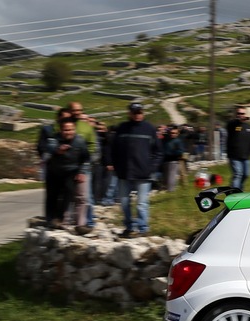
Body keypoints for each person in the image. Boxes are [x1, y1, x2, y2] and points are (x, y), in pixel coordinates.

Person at [107, 101, 162, 238]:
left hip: (143, 173)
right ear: (129, 113)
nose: (138, 115)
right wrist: (116, 165)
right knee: (124, 202)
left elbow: (159, 151)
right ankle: (129, 227)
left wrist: (152, 168)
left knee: (141, 203)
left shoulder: (149, 129)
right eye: (135, 112)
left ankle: (143, 229)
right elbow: (113, 149)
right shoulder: (122, 128)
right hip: (124, 172)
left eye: (140, 112)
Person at [41, 116, 90, 232]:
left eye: (71, 130)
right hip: (54, 172)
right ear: (61, 130)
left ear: (75, 129)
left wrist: (82, 172)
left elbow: (86, 158)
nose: (68, 132)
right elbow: (49, 147)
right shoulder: (54, 139)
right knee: (53, 196)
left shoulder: (80, 141)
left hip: (71, 172)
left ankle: (61, 219)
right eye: (66, 130)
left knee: (68, 195)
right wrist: (58, 150)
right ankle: (50, 219)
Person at [37, 108, 72, 223]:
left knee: (65, 192)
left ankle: (60, 218)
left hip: (66, 167)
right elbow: (41, 147)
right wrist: (52, 154)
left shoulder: (71, 132)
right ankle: (49, 218)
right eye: (64, 118)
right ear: (58, 118)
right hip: (52, 166)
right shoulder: (48, 130)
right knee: (51, 193)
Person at [67, 102, 98, 229]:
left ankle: (88, 221)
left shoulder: (86, 127)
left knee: (86, 196)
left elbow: (92, 145)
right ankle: (67, 220)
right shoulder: (62, 125)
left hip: (83, 166)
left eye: (80, 110)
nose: (77, 112)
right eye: (75, 110)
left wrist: (84, 156)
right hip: (66, 166)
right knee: (67, 194)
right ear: (69, 110)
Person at [226, 106, 250, 191]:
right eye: (239, 113)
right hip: (234, 155)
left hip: (245, 156)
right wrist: (239, 120)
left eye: (242, 113)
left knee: (246, 174)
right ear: (236, 114)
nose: (241, 115)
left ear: (246, 114)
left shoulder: (248, 127)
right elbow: (233, 124)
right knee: (238, 174)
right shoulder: (232, 125)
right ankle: (235, 193)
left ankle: (238, 188)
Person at [160, 125, 185, 192]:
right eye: (171, 133)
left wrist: (171, 153)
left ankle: (171, 191)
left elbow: (181, 151)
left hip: (173, 161)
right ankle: (166, 189)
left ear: (177, 134)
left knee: (171, 177)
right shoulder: (166, 140)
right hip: (165, 161)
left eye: (174, 133)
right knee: (165, 177)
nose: (172, 134)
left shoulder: (178, 141)